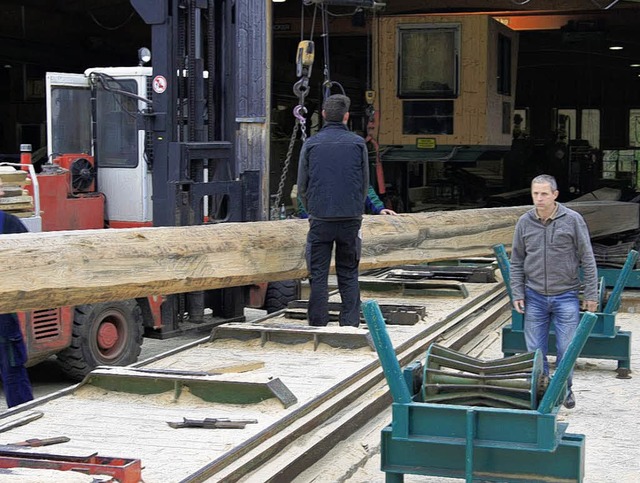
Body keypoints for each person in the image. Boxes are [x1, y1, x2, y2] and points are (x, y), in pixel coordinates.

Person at [509, 174, 598, 409]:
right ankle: (540, 391)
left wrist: (591, 294)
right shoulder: (524, 222)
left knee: (566, 348)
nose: (539, 199)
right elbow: (516, 260)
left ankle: (564, 391)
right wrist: (517, 292)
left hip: (566, 295)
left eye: (544, 194)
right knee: (535, 351)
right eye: (535, 193)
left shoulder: (572, 220)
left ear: (555, 195)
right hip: (534, 295)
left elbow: (587, 258)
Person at [297, 94, 369, 327]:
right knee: (348, 271)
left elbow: (302, 185)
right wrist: (356, 211)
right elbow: (364, 183)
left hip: (320, 219)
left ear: (324, 115)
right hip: (350, 218)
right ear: (346, 116)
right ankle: (349, 323)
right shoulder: (358, 144)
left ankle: (318, 322)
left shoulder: (311, 144)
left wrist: (313, 211)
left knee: (318, 274)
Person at [0, 175, 34, 408]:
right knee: (12, 368)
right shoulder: (8, 223)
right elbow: (33, 261)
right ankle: (23, 419)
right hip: (3, 312)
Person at [297, 185, 397, 218]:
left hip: (348, 219)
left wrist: (380, 208)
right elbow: (303, 191)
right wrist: (306, 216)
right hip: (320, 220)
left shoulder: (349, 166)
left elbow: (364, 187)